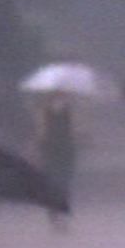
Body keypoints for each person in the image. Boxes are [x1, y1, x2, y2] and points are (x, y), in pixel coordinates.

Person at [34, 91, 76, 229]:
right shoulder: (43, 111)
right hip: (52, 149)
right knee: (55, 179)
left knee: (64, 180)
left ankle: (61, 210)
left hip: (64, 149)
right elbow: (41, 131)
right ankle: (54, 210)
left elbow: (76, 130)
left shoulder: (70, 111)